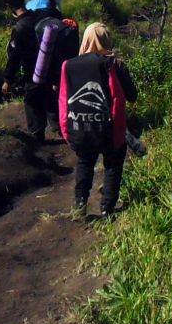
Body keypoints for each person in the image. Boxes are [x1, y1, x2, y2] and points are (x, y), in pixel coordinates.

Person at [59, 21, 137, 216]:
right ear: (107, 40)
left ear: (85, 40)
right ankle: (106, 209)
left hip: (79, 125)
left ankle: (80, 205)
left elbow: (63, 98)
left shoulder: (68, 65)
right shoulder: (115, 64)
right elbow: (132, 95)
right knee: (113, 164)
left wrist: (66, 129)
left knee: (85, 162)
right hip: (110, 130)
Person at [27, 0, 79, 142]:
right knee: (51, 92)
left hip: (31, 57)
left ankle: (37, 132)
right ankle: (57, 126)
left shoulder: (30, 6)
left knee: (33, 95)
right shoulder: (55, 14)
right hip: (50, 57)